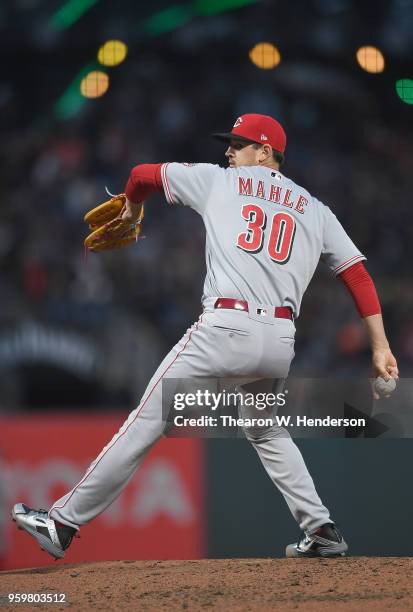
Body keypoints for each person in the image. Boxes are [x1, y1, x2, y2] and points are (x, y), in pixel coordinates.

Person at [12, 113, 398, 559]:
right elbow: (358, 276)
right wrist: (382, 347)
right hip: (278, 340)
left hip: (225, 328)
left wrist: (133, 211)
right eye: (229, 144)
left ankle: (61, 523)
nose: (228, 152)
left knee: (146, 419)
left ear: (266, 151)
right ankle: (322, 530)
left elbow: (140, 175)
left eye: (238, 144)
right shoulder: (315, 209)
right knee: (266, 429)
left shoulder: (218, 182)